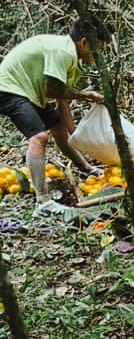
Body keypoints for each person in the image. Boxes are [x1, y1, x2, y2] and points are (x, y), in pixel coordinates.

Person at [0, 16, 112, 218]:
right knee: (39, 137)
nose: (98, 55)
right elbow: (54, 89)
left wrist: (78, 136)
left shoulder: (73, 60)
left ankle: (86, 168)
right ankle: (42, 201)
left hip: (31, 92)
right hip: (9, 88)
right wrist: (86, 95)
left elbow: (62, 101)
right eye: (97, 50)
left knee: (57, 126)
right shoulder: (62, 52)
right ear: (84, 42)